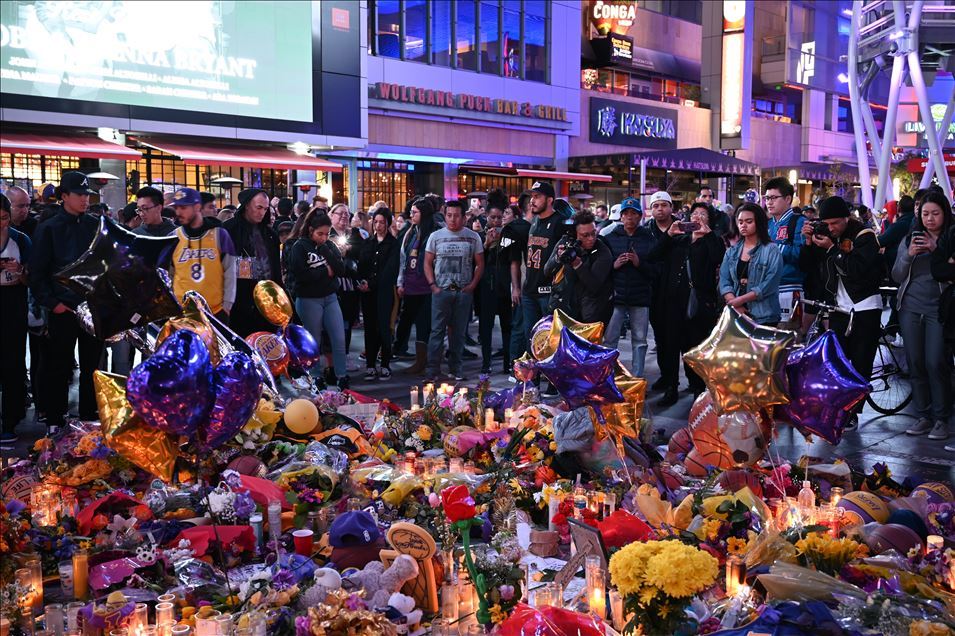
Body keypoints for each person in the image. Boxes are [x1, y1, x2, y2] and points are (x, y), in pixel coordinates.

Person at [29, 172, 105, 432]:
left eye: (87, 195)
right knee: (58, 366)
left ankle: (89, 416)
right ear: (64, 196)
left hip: (92, 308)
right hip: (62, 308)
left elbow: (104, 266)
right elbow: (36, 272)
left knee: (92, 366)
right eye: (80, 194)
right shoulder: (48, 227)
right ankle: (54, 419)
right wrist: (53, 304)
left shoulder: (95, 224)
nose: (85, 199)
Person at [808, 196, 884, 431]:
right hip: (840, 307)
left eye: (835, 224)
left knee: (860, 363)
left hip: (865, 306)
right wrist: (809, 244)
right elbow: (814, 270)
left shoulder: (865, 236)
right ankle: (837, 408)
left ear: (846, 218)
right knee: (838, 362)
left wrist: (832, 249)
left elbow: (857, 271)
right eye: (826, 224)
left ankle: (852, 412)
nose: (830, 228)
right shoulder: (832, 237)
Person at [650, 202, 726, 405]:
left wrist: (708, 234)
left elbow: (718, 258)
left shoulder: (714, 241)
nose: (698, 217)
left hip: (700, 305)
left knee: (696, 348)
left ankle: (698, 390)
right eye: (695, 213)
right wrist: (669, 234)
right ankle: (671, 387)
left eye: (703, 214)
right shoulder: (680, 240)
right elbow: (653, 255)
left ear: (710, 220)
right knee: (671, 346)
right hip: (672, 302)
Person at [892, 192, 953, 440]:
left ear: (945, 214)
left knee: (935, 362)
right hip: (910, 306)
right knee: (915, 362)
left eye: (935, 214)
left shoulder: (951, 238)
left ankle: (941, 419)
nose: (929, 219)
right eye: (925, 213)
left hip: (940, 308)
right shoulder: (910, 238)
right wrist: (909, 255)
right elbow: (896, 275)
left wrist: (936, 249)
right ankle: (923, 415)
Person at [285, 210, 349, 390]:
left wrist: (325, 252)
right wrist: (325, 272)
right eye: (320, 233)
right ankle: (316, 377)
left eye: (327, 233)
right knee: (314, 341)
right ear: (310, 230)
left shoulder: (328, 245)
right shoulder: (300, 247)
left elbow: (340, 269)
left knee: (338, 337)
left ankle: (342, 376)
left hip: (329, 296)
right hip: (308, 299)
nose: (324, 237)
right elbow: (301, 274)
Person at [424, 199, 484, 381]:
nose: (452, 219)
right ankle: (432, 370)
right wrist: (433, 286)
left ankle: (456, 369)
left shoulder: (473, 237)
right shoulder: (436, 237)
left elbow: (480, 263)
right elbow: (427, 262)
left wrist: (472, 285)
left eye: (456, 216)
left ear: (464, 217)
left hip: (463, 291)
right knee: (436, 332)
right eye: (449, 215)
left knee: (458, 333)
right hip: (441, 290)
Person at [164, 187, 237, 322]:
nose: (178, 212)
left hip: (215, 312)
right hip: (182, 314)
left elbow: (230, 272)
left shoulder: (219, 235)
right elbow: (169, 275)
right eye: (176, 208)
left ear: (197, 207)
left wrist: (227, 306)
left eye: (183, 208)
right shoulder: (173, 237)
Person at [603, 198, 658, 378]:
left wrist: (638, 263)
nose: (630, 217)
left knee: (640, 340)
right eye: (626, 214)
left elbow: (656, 271)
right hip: (616, 297)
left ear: (640, 216)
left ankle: (637, 377)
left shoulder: (649, 239)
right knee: (610, 340)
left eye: (634, 214)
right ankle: (607, 376)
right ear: (621, 216)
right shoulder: (609, 238)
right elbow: (600, 269)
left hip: (640, 297)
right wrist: (613, 264)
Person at [222, 188, 283, 337]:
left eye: (266, 209)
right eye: (259, 207)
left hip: (267, 300)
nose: (262, 212)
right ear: (247, 205)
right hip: (238, 301)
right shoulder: (229, 229)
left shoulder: (270, 234)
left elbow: (275, 269)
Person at [542, 211, 613, 324]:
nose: (591, 238)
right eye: (585, 235)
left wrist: (578, 265)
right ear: (575, 234)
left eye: (593, 233)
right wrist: (558, 258)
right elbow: (547, 271)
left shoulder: (602, 251)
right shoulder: (565, 242)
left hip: (589, 316)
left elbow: (594, 286)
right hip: (563, 309)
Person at [719, 202, 784, 326]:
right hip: (736, 314)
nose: (743, 225)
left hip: (764, 315)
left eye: (749, 222)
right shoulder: (732, 251)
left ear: (759, 223)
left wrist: (739, 300)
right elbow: (724, 280)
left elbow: (770, 283)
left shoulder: (771, 250)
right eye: (740, 222)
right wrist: (734, 304)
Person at [519, 182, 567, 345]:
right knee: (530, 338)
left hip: (549, 293)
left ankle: (549, 371)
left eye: (537, 196)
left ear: (550, 200)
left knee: (550, 339)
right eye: (532, 196)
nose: (532, 200)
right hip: (529, 290)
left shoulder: (560, 223)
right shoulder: (534, 221)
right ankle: (532, 371)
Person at [0, 194, 31, 445]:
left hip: (14, 302)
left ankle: (10, 421)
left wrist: (20, 272)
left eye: (4, 218)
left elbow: (33, 277)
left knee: (13, 362)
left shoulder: (21, 240)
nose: (1, 223)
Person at [394, 197, 438, 373]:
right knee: (405, 320)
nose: (411, 215)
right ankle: (399, 349)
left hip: (427, 286)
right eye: (411, 212)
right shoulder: (410, 232)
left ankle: (423, 362)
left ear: (424, 214)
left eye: (415, 212)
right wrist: (400, 282)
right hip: (410, 285)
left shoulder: (434, 232)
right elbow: (403, 258)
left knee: (424, 324)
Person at [357, 208, 399, 380]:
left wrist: (371, 283)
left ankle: (385, 364)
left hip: (384, 292)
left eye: (382, 222)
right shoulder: (368, 243)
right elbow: (362, 265)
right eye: (376, 222)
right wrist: (362, 282)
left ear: (388, 223)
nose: (379, 225)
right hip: (368, 293)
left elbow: (390, 270)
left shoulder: (393, 244)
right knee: (369, 327)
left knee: (384, 327)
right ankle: (370, 364)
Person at [762, 176, 806, 328]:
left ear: (788, 199)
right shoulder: (767, 224)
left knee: (788, 339)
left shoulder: (799, 221)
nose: (769, 202)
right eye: (767, 198)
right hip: (767, 290)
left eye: (773, 197)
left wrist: (772, 248)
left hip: (790, 287)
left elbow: (800, 254)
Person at [478, 204, 513, 374]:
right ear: (486, 216)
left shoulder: (507, 235)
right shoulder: (479, 236)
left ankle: (508, 362)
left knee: (507, 326)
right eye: (493, 217)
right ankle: (486, 362)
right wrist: (486, 244)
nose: (497, 221)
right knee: (486, 327)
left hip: (504, 286)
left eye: (500, 217)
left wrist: (502, 241)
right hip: (486, 287)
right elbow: (476, 262)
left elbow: (511, 256)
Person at [646, 191, 675, 391]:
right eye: (656, 206)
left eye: (664, 205)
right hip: (655, 290)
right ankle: (667, 377)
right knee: (661, 338)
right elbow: (649, 256)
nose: (660, 209)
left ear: (671, 207)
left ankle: (688, 382)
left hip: (679, 290)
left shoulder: (682, 228)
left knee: (680, 338)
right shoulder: (646, 231)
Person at [329, 203, 363, 374]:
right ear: (331, 215)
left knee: (348, 320)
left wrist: (347, 250)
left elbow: (362, 251)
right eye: (339, 213)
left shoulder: (354, 233)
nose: (343, 217)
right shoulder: (327, 233)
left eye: (346, 214)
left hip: (351, 282)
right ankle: (332, 358)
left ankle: (346, 354)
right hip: (333, 283)